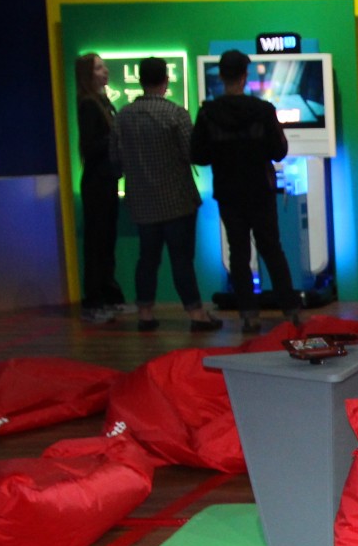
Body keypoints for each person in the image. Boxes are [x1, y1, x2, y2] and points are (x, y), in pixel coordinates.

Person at [191, 49, 301, 334]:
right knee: (272, 248)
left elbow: (198, 155)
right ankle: (291, 311)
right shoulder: (262, 110)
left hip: (228, 192)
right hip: (260, 190)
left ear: (221, 76)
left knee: (238, 253)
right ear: (244, 76)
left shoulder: (208, 113)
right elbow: (279, 151)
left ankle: (249, 316)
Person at [110, 56, 220, 333]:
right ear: (165, 81)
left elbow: (115, 160)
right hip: (177, 201)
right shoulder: (176, 114)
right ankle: (196, 313)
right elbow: (191, 153)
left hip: (142, 203)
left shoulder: (122, 116)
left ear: (140, 80)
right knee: (181, 260)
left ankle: (145, 313)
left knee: (147, 259)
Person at [72, 53, 127, 324]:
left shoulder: (103, 102)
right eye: (98, 68)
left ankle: (108, 296)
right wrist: (115, 138)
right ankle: (94, 300)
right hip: (97, 182)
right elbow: (90, 145)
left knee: (106, 240)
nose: (105, 71)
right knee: (97, 243)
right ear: (87, 75)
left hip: (107, 179)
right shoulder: (88, 105)